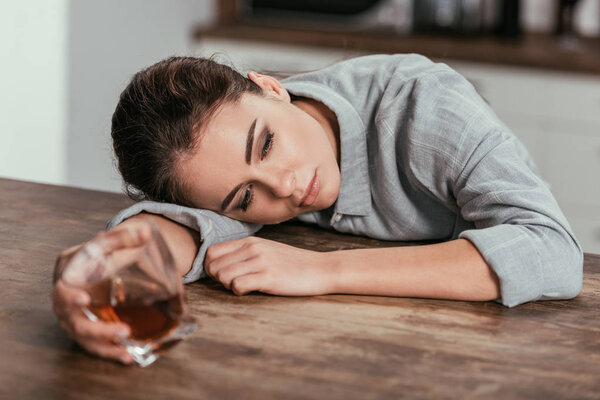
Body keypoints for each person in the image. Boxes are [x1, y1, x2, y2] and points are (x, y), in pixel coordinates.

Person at [52, 53, 583, 364]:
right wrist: (106, 269)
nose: (283, 187)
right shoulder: (238, 175)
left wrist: (321, 269)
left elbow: (552, 250)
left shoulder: (430, 113)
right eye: (245, 196)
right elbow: (188, 228)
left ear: (270, 88)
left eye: (264, 145)